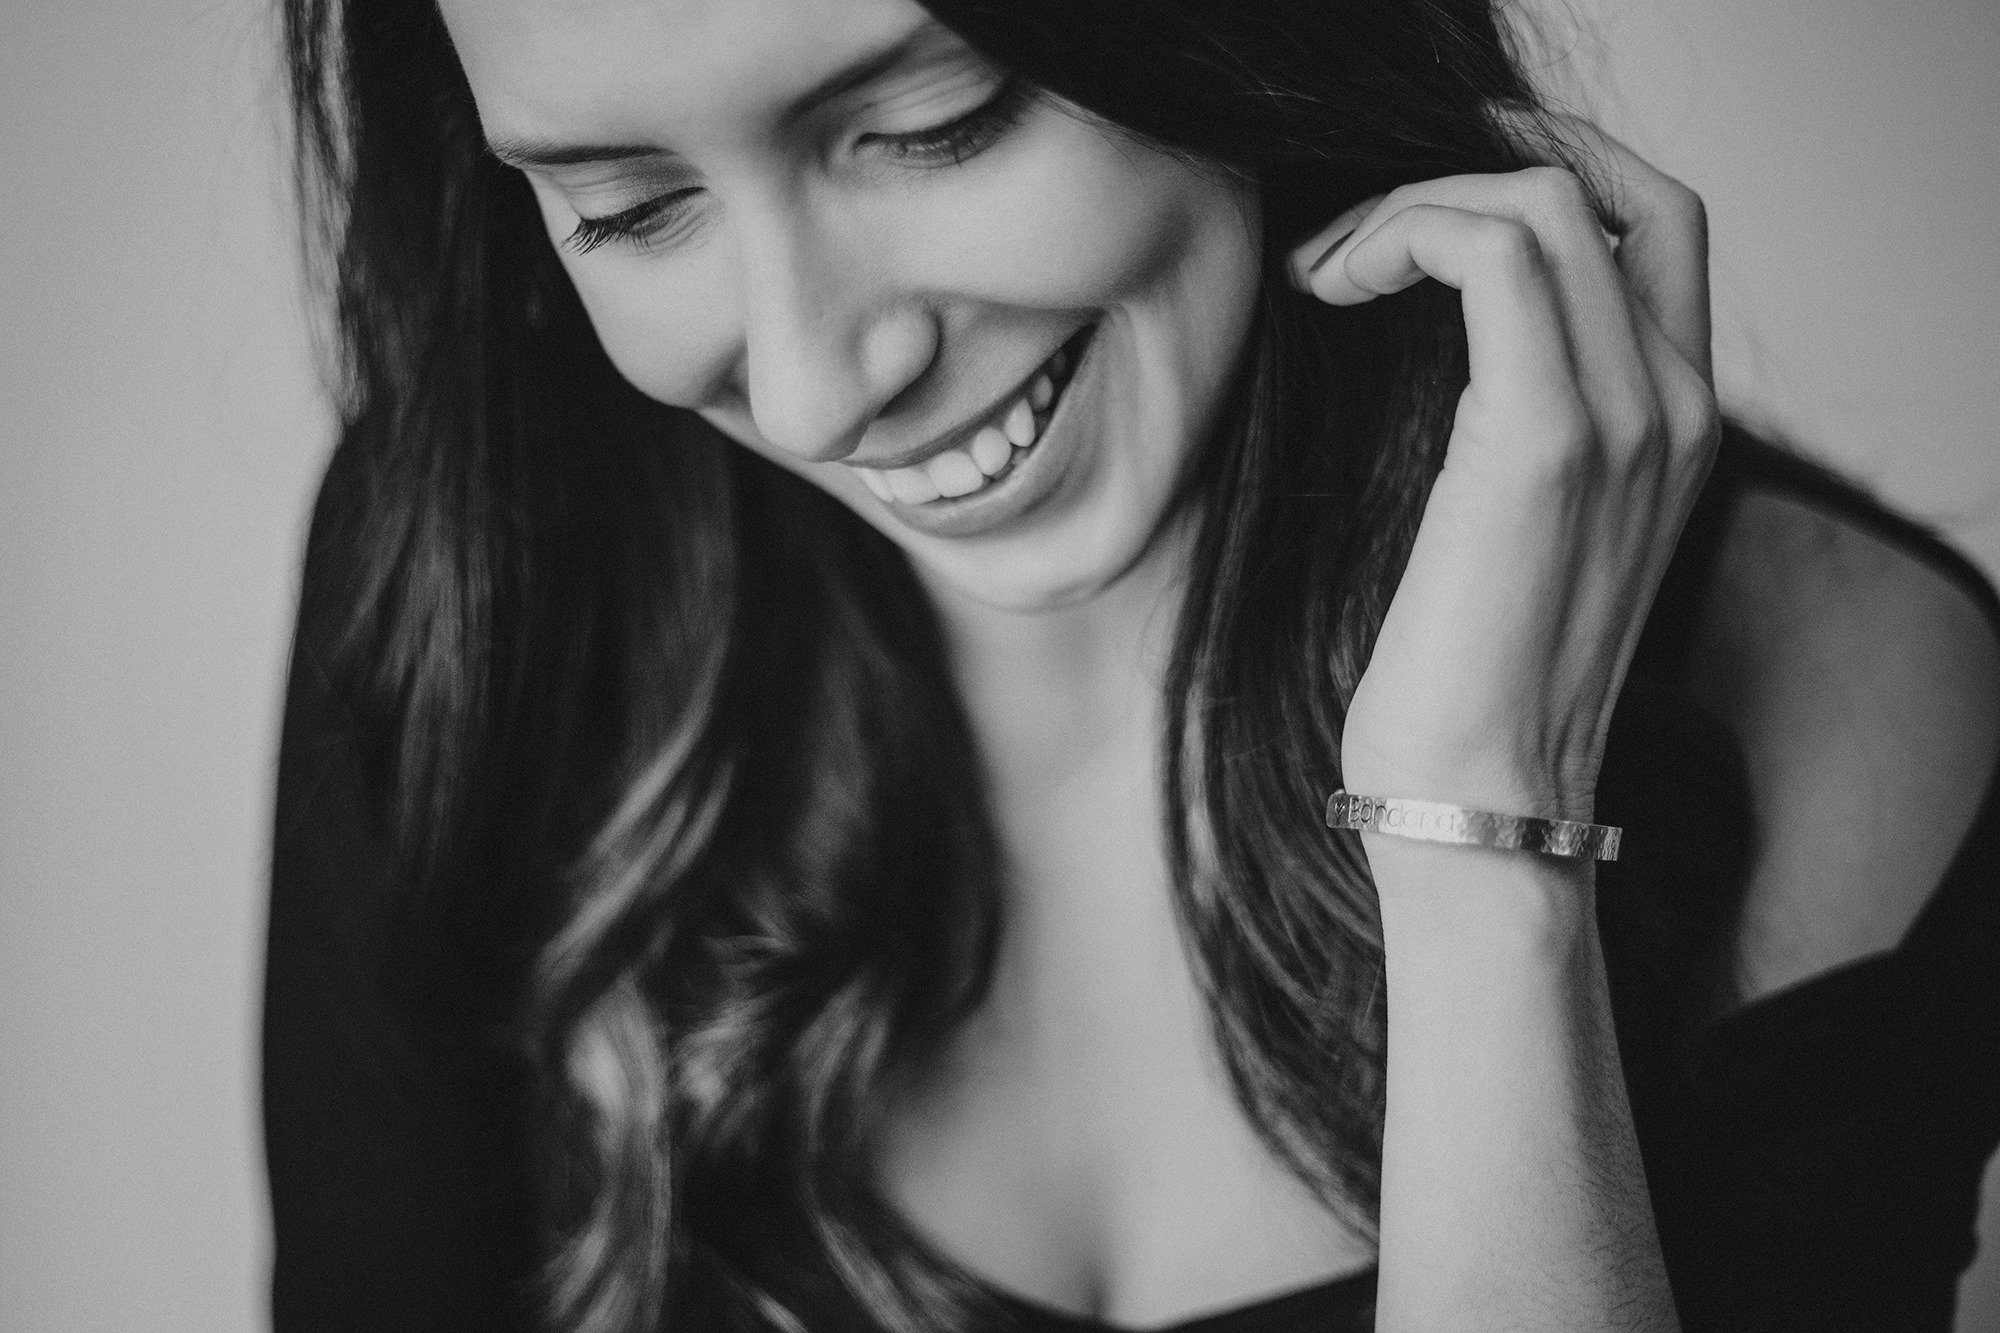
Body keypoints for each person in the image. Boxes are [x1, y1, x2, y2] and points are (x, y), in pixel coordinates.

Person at [261, 0, 2000, 1328]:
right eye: (630, 210)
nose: (811, 386)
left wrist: (1487, 843)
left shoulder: (1857, 695)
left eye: (931, 126)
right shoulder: (484, 564)